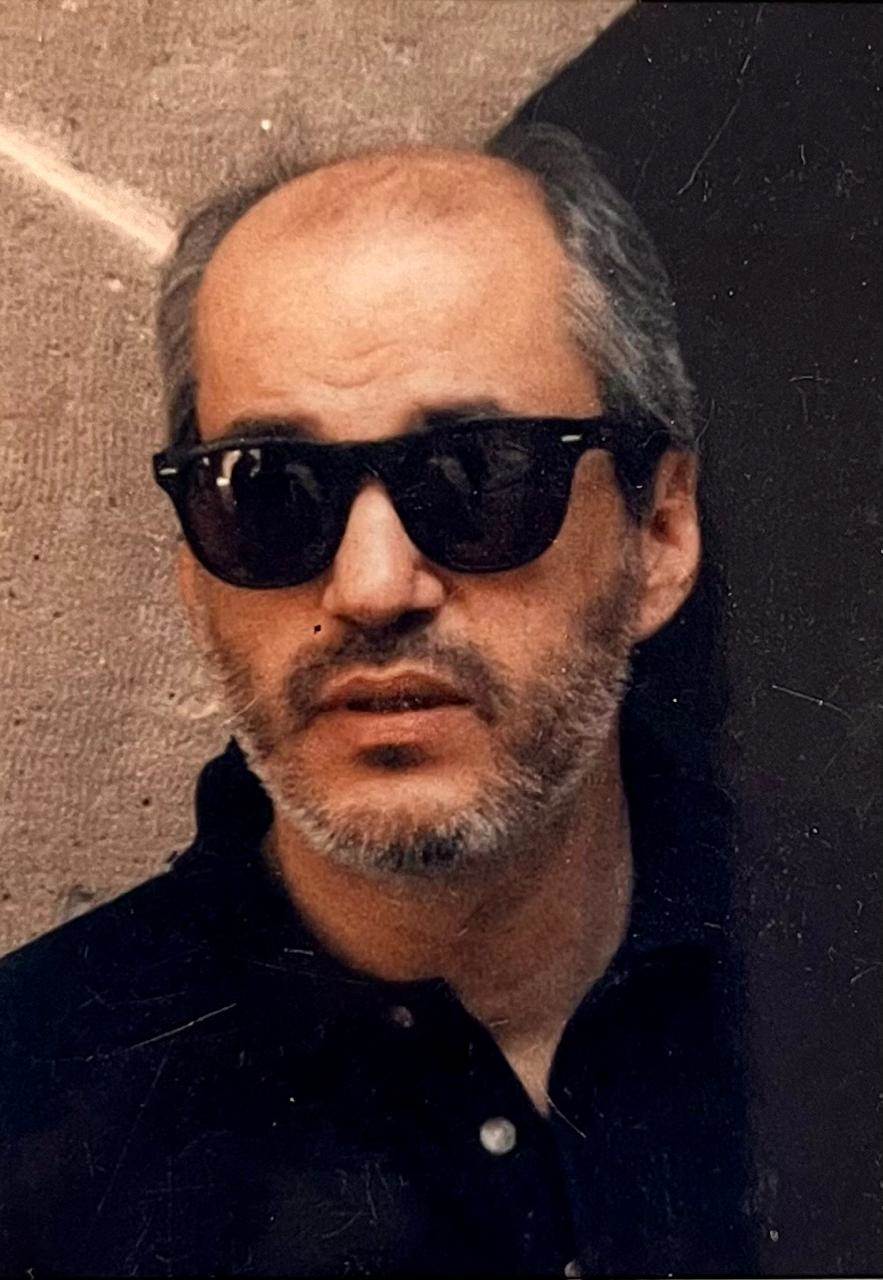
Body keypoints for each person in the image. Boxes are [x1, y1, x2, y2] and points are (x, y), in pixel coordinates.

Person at [0, 126, 756, 1276]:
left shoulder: (831, 990)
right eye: (266, 491)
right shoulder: (29, 1113)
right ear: (193, 572)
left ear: (658, 531)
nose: (369, 587)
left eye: (478, 472)